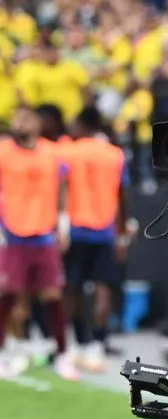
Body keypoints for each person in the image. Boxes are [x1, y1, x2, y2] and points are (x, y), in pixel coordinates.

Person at [0, 105, 78, 382]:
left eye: (25, 118)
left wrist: (64, 223)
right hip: (12, 234)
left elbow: (63, 188)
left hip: (43, 234)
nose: (19, 123)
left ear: (38, 123)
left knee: (52, 295)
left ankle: (62, 354)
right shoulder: (0, 153)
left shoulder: (53, 154)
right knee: (5, 295)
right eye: (16, 117)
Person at [63, 106, 136, 372]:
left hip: (75, 228)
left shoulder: (69, 152)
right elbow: (123, 195)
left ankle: (79, 342)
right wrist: (125, 227)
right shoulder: (115, 155)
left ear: (81, 125)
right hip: (105, 230)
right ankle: (97, 343)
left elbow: (61, 189)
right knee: (104, 287)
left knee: (73, 287)